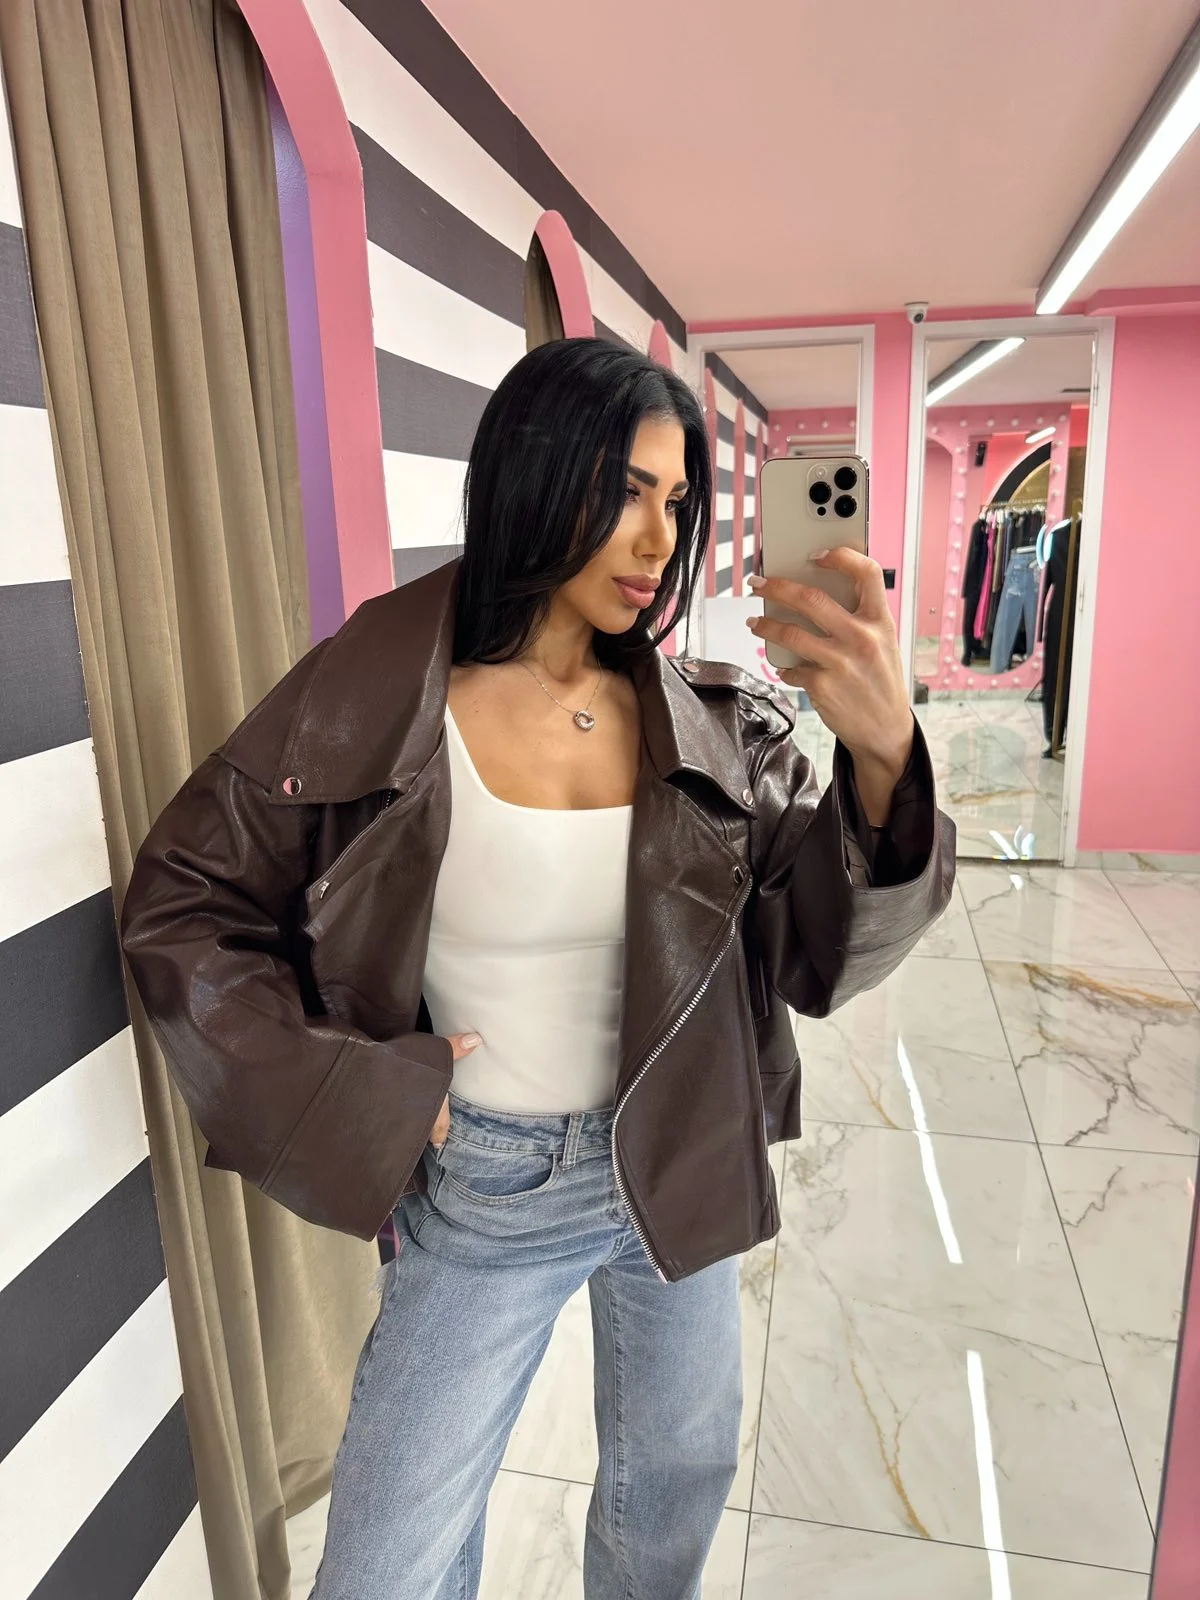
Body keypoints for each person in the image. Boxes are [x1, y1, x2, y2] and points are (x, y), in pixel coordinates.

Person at [121, 337, 954, 1599]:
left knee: (671, 1491)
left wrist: (885, 752)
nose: (658, 536)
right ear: (534, 471)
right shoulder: (374, 695)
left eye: (676, 500)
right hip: (490, 1181)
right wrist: (359, 1086)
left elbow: (820, 952)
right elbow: (185, 905)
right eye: (625, 489)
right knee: (386, 1563)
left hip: (681, 1149)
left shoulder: (714, 724)